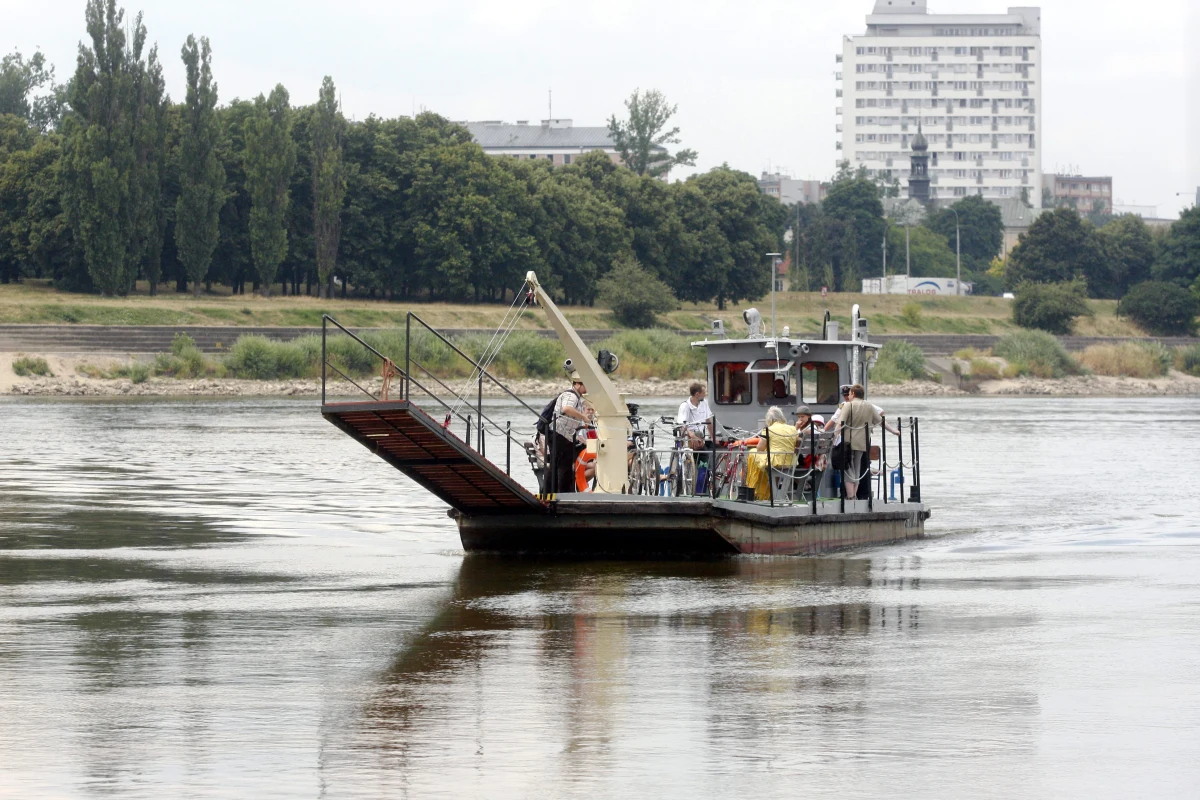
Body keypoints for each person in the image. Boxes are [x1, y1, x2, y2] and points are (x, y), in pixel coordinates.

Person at [837, 384, 882, 500]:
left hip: (849, 442)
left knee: (847, 469)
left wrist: (833, 437)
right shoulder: (869, 406)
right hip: (862, 443)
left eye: (849, 393)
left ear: (852, 394)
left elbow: (840, 423)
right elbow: (880, 420)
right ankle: (854, 496)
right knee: (857, 469)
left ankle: (850, 496)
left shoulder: (848, 406)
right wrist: (894, 431)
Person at [743, 406, 798, 501]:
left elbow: (760, 448)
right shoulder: (793, 429)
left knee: (752, 452)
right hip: (790, 461)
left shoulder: (769, 429)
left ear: (769, 419)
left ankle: (754, 487)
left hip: (775, 461)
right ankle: (767, 491)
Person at [550, 373, 591, 494]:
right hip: (560, 434)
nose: (587, 389)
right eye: (585, 385)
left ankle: (553, 491)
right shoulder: (571, 396)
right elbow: (566, 409)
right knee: (564, 466)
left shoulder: (576, 397)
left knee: (558, 465)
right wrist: (583, 416)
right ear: (577, 384)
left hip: (563, 435)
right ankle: (562, 493)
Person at [676, 382, 714, 451]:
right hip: (688, 440)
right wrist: (692, 435)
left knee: (706, 457)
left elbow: (708, 421)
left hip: (701, 438)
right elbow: (681, 425)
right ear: (697, 394)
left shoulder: (704, 403)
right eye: (704, 393)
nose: (705, 395)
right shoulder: (685, 406)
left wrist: (713, 437)